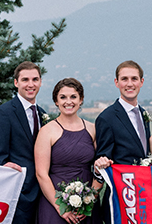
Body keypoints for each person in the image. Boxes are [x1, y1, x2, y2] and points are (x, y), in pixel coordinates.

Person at [0, 61, 47, 224]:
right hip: (18, 197)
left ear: (40, 82)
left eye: (35, 79)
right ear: (16, 83)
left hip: (42, 196)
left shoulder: (43, 114)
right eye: (25, 80)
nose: (30, 84)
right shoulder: (3, 113)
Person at [35, 78, 100, 224]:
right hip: (55, 202)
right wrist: (60, 207)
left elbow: (99, 170)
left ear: (81, 100)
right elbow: (41, 173)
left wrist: (88, 201)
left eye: (73, 97)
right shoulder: (47, 131)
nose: (68, 101)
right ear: (56, 101)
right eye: (63, 97)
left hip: (86, 205)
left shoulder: (92, 129)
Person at [94, 61, 151, 224]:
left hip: (143, 196)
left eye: (134, 79)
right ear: (116, 82)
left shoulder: (143, 114)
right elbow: (103, 157)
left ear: (141, 82)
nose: (129, 84)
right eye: (124, 79)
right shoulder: (107, 118)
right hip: (121, 198)